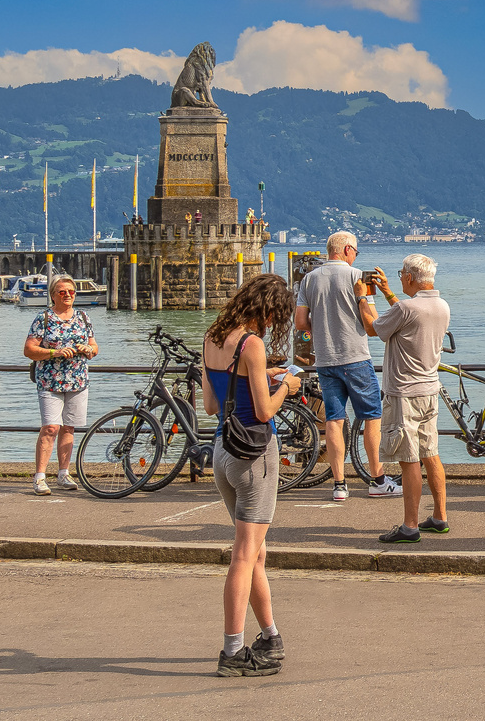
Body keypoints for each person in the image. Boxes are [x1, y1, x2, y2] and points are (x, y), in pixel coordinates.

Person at [200, 273, 303, 677]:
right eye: (277, 315)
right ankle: (232, 650)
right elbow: (264, 411)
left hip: (223, 450)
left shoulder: (211, 338)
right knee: (244, 556)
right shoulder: (253, 345)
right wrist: (288, 386)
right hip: (255, 455)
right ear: (267, 310)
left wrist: (263, 379)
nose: (275, 323)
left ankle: (271, 635)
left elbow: (210, 404)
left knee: (255, 552)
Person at [294, 231, 398, 501]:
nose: (356, 256)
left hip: (325, 360)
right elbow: (371, 323)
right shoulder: (357, 278)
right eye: (357, 252)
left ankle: (339, 484)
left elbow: (300, 322)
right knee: (372, 417)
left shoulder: (309, 279)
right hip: (355, 357)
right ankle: (377, 479)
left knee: (334, 420)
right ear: (348, 250)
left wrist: (321, 326)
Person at [358, 254, 452, 544]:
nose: (400, 277)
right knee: (430, 452)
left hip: (404, 393)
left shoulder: (409, 308)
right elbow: (404, 314)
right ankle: (439, 516)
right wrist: (387, 292)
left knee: (409, 459)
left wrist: (365, 299)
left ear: (410, 277)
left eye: (401, 274)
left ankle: (409, 526)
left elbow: (374, 328)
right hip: (429, 389)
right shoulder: (440, 305)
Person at [21, 274, 97, 495]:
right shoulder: (43, 318)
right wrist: (55, 352)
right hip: (50, 381)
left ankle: (63, 473)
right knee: (50, 428)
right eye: (62, 292)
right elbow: (29, 350)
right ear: (53, 295)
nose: (67, 295)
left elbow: (94, 346)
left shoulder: (83, 317)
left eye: (71, 291)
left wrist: (88, 350)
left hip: (78, 380)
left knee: (69, 428)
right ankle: (40, 477)